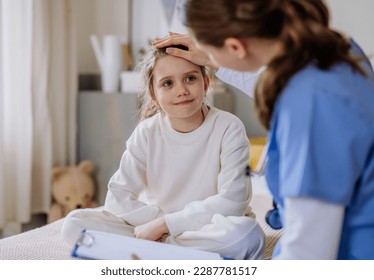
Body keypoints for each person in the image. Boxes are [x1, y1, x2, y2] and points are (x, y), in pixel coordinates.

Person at [153, 0, 374, 260]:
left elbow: (308, 248)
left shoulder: (310, 103)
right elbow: (278, 80)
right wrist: (216, 59)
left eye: (207, 48)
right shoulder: (335, 49)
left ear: (236, 46)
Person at [61, 45, 265, 260]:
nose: (181, 90)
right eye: (168, 83)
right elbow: (118, 196)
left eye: (190, 78)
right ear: (153, 94)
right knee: (75, 223)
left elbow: (234, 200)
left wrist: (166, 224)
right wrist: (158, 223)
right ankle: (177, 254)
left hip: (207, 226)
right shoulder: (147, 131)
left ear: (205, 84)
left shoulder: (229, 126)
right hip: (154, 227)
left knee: (248, 235)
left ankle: (153, 253)